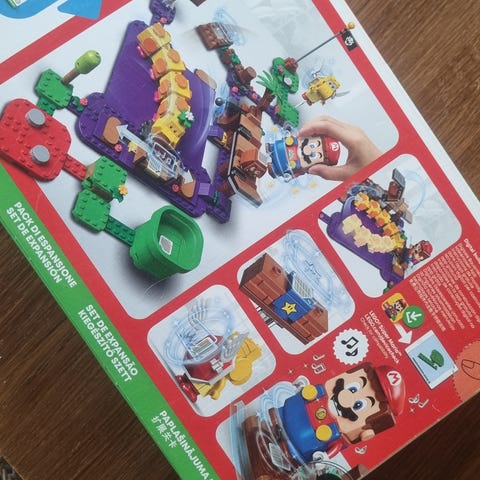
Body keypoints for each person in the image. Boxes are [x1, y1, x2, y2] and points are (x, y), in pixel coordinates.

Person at [298, 116, 382, 181]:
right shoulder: (295, 142)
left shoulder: (300, 168)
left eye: (314, 155)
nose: (308, 151)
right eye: (312, 145)